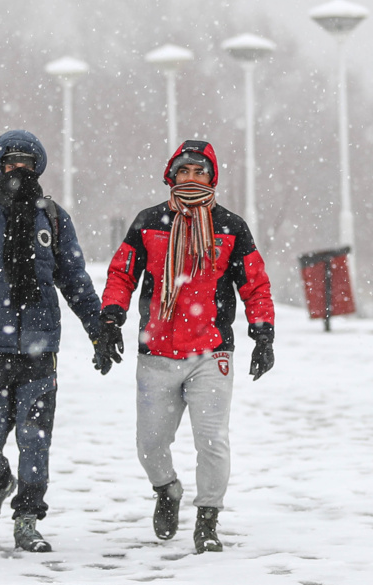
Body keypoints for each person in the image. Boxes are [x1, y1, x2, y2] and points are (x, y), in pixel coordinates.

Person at [0, 129, 112, 553]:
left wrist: (98, 329)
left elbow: (74, 279)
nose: (19, 169)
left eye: (27, 163)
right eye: (12, 161)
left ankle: (28, 517)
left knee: (35, 439)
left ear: (38, 168)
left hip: (39, 347)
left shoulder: (52, 218)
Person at [95, 139, 274, 553]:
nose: (191, 178)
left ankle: (208, 520)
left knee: (212, 441)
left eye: (200, 172)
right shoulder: (148, 222)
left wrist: (263, 331)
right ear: (170, 176)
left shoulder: (231, 227)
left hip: (211, 352)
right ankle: (167, 489)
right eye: (184, 171)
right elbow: (121, 275)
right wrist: (110, 318)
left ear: (212, 178)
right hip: (155, 352)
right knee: (150, 444)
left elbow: (255, 283)